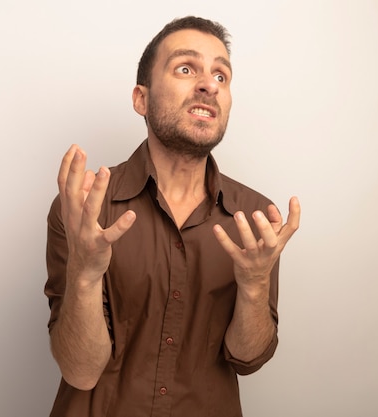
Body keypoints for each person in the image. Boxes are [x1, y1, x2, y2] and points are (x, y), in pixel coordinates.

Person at [44, 15, 300, 417]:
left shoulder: (254, 220)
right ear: (140, 99)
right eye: (186, 68)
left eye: (221, 75)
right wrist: (85, 273)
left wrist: (253, 285)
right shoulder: (83, 209)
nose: (208, 84)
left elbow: (248, 360)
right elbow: (80, 370)